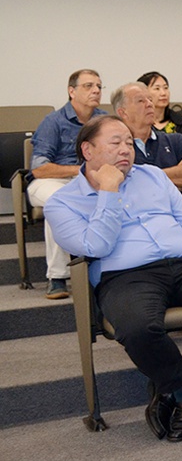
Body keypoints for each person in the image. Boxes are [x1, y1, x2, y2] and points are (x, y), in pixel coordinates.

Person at [44, 115, 182, 442]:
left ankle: (178, 378)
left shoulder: (155, 177)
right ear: (87, 150)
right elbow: (97, 246)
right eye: (115, 143)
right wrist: (109, 192)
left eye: (129, 143)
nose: (126, 150)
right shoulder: (62, 203)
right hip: (125, 276)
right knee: (138, 328)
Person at [29, 68, 108, 298]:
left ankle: (106, 270)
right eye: (88, 86)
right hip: (51, 180)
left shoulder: (104, 120)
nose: (96, 90)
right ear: (71, 91)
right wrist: (81, 170)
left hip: (90, 180)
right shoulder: (53, 122)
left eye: (99, 86)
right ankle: (57, 276)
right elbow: (39, 168)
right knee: (59, 202)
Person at [113, 82, 182, 238]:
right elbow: (125, 186)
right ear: (123, 113)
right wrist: (176, 178)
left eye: (150, 99)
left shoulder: (176, 140)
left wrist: (144, 179)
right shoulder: (116, 148)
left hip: (178, 212)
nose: (150, 104)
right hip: (136, 218)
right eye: (141, 101)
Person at [137, 71, 182, 138]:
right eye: (157, 88)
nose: (163, 93)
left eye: (165, 88)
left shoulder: (180, 122)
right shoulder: (134, 124)